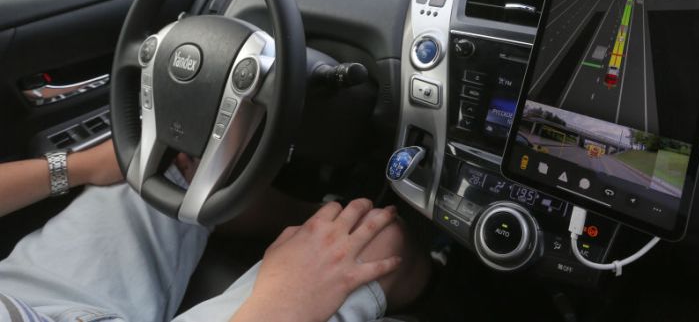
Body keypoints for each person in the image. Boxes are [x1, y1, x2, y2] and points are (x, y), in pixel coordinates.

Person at [0, 141, 429, 322]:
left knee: (169, 177)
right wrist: (274, 307)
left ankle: (319, 212)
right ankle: (443, 278)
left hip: (25, 303)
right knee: (374, 240)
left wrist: (80, 166)